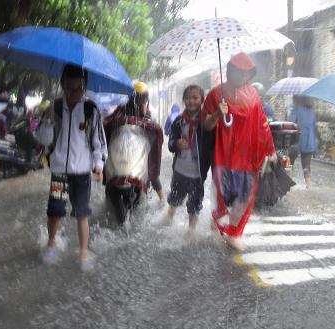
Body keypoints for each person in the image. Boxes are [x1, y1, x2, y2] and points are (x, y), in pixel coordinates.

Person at [202, 52, 276, 251]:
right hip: (222, 156)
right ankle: (218, 223)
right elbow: (205, 126)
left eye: (245, 73)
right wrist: (218, 113)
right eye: (235, 70)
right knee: (223, 197)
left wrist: (270, 149)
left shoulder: (253, 95)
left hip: (247, 158)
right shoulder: (216, 94)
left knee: (244, 198)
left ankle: (234, 233)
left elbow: (262, 125)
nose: (241, 76)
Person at [37, 64, 107, 271]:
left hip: (81, 172)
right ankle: (51, 244)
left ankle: (83, 251)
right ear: (62, 84)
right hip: (59, 170)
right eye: (69, 87)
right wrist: (47, 122)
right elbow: (42, 140)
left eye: (78, 88)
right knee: (55, 210)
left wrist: (99, 165)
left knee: (82, 212)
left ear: (84, 87)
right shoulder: (55, 108)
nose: (73, 92)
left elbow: (98, 142)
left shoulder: (90, 109)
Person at [104, 81, 164, 224]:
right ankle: (106, 186)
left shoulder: (148, 117)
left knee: (151, 167)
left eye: (142, 99)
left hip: (138, 154)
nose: (139, 102)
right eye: (136, 99)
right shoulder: (118, 113)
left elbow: (155, 135)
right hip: (120, 152)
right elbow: (107, 129)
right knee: (106, 168)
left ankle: (162, 199)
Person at [163, 85, 214, 239]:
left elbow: (212, 144)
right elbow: (170, 142)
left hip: (197, 173)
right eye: (188, 98)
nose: (191, 101)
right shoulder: (179, 121)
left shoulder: (206, 122)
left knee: (194, 204)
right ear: (184, 100)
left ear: (202, 100)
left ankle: (191, 230)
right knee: (175, 197)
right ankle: (169, 216)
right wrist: (176, 143)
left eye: (195, 98)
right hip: (179, 169)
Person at [288, 95, 317, 189]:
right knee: (306, 166)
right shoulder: (312, 111)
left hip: (296, 141)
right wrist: (315, 149)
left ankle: (289, 183)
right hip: (309, 143)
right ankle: (309, 187)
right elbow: (314, 129)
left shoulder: (296, 109)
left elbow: (290, 124)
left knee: (288, 162)